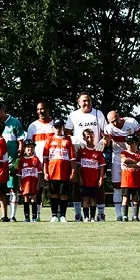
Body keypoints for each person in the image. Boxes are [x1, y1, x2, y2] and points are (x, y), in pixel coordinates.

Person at [65, 92, 106, 221]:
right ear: (78, 102)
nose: (86, 103)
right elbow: (67, 133)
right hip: (79, 153)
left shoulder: (98, 114)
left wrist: (103, 141)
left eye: (88, 100)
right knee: (78, 184)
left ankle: (100, 213)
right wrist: (74, 140)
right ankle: (78, 213)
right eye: (83, 101)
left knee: (99, 184)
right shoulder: (73, 115)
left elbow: (106, 133)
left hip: (96, 153)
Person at [103, 110, 140, 221]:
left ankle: (135, 215)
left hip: (132, 156)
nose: (114, 123)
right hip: (117, 156)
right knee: (117, 186)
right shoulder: (108, 128)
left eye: (115, 120)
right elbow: (107, 142)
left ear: (119, 116)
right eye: (112, 122)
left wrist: (139, 151)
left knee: (134, 188)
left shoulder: (131, 122)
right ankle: (119, 215)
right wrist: (104, 142)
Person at [0, 101, 25, 221]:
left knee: (12, 189)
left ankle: (12, 216)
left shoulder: (15, 123)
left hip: (11, 162)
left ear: (2, 110)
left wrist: (16, 163)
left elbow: (21, 144)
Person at [26, 102, 56, 217]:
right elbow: (28, 146)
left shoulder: (54, 124)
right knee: (38, 188)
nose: (40, 111)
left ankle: (56, 214)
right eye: (38, 109)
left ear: (47, 109)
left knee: (54, 188)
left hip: (53, 162)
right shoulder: (32, 126)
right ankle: (37, 214)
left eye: (42, 109)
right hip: (38, 163)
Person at [45, 118, 74, 223]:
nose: (58, 128)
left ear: (63, 127)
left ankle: (62, 215)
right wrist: (45, 172)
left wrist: (73, 172)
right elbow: (45, 159)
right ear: (53, 127)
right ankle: (54, 215)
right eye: (56, 126)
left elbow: (72, 159)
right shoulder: (49, 140)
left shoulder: (67, 140)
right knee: (53, 194)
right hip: (52, 172)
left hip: (64, 172)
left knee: (64, 194)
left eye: (60, 126)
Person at [76, 129, 105, 222]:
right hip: (85, 179)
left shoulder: (98, 151)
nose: (90, 138)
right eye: (87, 137)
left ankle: (92, 217)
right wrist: (79, 177)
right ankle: (86, 217)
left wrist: (101, 178)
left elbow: (101, 167)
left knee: (93, 199)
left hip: (94, 180)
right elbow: (78, 166)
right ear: (84, 138)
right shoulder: (81, 151)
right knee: (85, 199)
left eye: (91, 136)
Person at [121, 138, 140, 221]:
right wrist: (135, 163)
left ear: (135, 144)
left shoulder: (138, 154)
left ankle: (135, 216)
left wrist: (131, 164)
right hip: (126, 180)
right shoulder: (124, 153)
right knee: (125, 198)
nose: (130, 145)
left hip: (136, 180)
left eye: (132, 143)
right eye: (128, 143)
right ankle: (125, 216)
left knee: (135, 198)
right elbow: (124, 160)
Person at [18, 141, 42, 222]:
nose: (30, 149)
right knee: (26, 199)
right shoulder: (21, 160)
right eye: (28, 147)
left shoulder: (36, 159)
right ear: (24, 149)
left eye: (31, 147)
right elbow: (19, 174)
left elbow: (39, 173)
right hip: (25, 184)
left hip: (33, 183)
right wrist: (20, 184)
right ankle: (27, 217)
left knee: (33, 199)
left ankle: (34, 217)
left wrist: (38, 183)